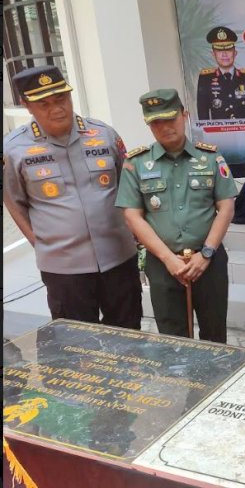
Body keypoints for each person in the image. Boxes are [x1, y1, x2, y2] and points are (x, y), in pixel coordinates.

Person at [3, 65, 142, 329]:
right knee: (76, 346)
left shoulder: (103, 134)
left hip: (118, 258)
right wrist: (42, 243)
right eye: (43, 103)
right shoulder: (13, 149)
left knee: (128, 335)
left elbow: (128, 189)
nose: (56, 108)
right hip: (64, 270)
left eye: (61, 99)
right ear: (26, 106)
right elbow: (14, 202)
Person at [116, 89, 238, 343]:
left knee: (215, 335)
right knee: (172, 339)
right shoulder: (135, 164)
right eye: (156, 122)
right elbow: (133, 217)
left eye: (170, 118)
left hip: (209, 261)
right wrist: (168, 259)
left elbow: (225, 208)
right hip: (163, 265)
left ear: (184, 115)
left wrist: (206, 254)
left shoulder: (211, 158)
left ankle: (215, 381)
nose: (164, 127)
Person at [196, 26, 245, 120]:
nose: (224, 54)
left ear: (235, 53)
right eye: (219, 50)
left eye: (228, 50)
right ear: (213, 54)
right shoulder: (206, 78)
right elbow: (202, 114)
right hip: (218, 133)